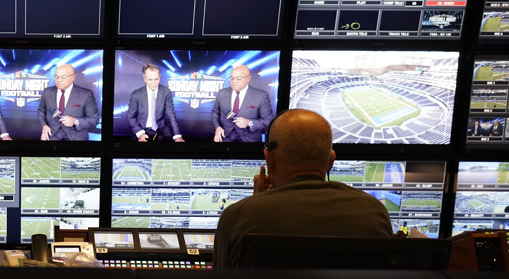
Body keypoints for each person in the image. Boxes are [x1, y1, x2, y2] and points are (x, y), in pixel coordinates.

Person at [212, 109, 394, 268]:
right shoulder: (374, 210)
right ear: (331, 161)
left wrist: (253, 204)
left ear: (269, 159)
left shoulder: (238, 216)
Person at [210, 65, 274, 143]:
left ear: (248, 79)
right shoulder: (222, 93)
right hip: (225, 137)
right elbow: (215, 113)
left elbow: (268, 121)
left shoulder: (262, 96)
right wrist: (218, 127)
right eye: (232, 78)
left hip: (250, 140)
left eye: (239, 78)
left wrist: (249, 122)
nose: (234, 81)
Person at [38, 64, 99, 141]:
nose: (59, 80)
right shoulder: (47, 92)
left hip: (76, 137)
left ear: (73, 77)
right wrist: (44, 126)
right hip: (51, 135)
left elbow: (94, 119)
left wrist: (75, 121)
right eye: (56, 77)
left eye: (63, 77)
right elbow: (41, 111)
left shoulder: (86, 94)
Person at [126, 64, 183, 142]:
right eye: (150, 79)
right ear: (145, 79)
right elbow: (130, 117)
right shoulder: (136, 94)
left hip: (161, 131)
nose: (154, 83)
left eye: (156, 79)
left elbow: (170, 114)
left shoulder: (166, 92)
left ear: (160, 78)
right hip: (141, 130)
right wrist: (140, 133)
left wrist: (177, 136)